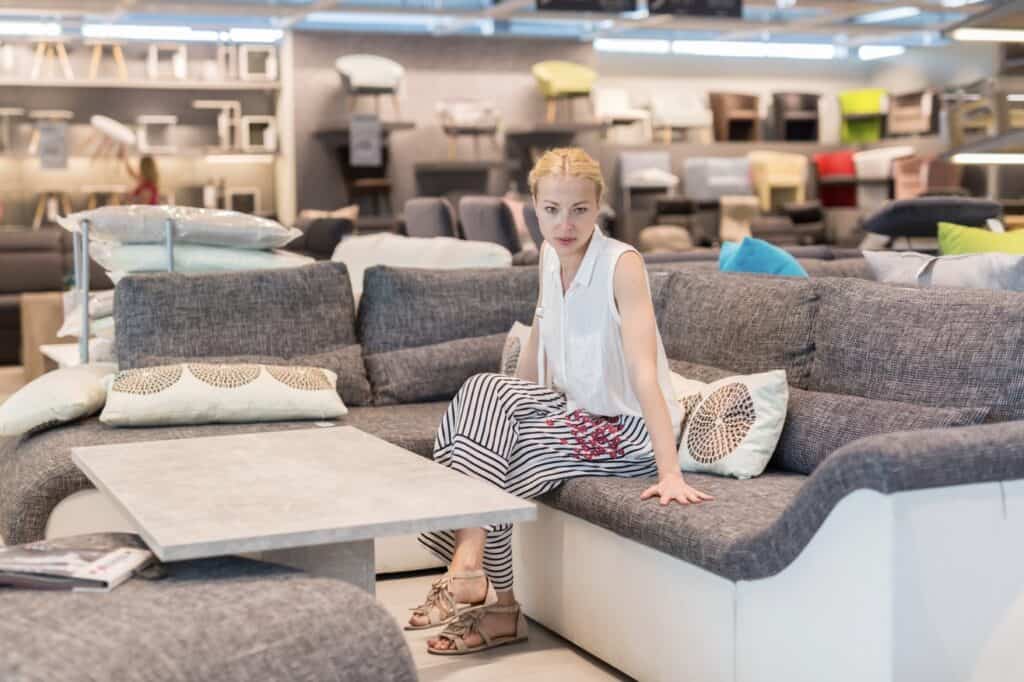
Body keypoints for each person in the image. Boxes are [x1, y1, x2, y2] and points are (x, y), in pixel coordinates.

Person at [409, 147, 713, 655]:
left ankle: (483, 585)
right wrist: (512, 403)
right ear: (534, 205)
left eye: (579, 210)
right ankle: (478, 578)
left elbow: (644, 372)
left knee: (500, 455)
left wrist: (670, 472)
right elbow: (542, 330)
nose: (564, 224)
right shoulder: (549, 255)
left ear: (600, 207)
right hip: (574, 415)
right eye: (551, 210)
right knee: (485, 395)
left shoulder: (623, 265)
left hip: (624, 430)